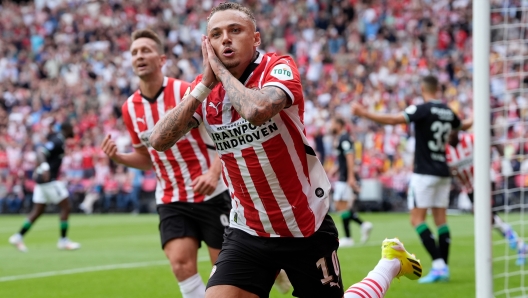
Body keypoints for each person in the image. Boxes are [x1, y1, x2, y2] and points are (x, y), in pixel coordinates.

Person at [149, 3, 421, 297]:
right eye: (216, 34)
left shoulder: (278, 67)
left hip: (302, 225)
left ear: (256, 38)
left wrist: (219, 73)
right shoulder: (205, 90)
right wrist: (204, 84)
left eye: (235, 30)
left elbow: (257, 109)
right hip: (248, 229)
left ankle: (389, 265)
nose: (225, 39)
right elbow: (158, 140)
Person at [100, 29, 232, 298]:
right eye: (134, 52)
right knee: (181, 266)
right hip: (171, 197)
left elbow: (225, 136)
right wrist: (119, 158)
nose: (139, 56)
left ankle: (277, 274)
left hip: (211, 192)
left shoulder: (186, 91)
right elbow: (147, 159)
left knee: (227, 270)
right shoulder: (129, 108)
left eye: (146, 50)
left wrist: (213, 172)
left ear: (161, 59)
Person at [351, 75, 472, 284]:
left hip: (424, 172)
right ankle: (443, 267)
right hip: (443, 171)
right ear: (438, 90)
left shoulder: (422, 109)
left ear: (422, 89)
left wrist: (364, 113)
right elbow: (463, 126)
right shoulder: (448, 111)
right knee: (441, 220)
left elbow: (393, 120)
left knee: (417, 219)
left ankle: (438, 265)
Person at [446, 131, 526, 265]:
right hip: (469, 188)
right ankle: (519, 245)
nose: (449, 134)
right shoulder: (446, 151)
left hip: (484, 180)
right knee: (490, 219)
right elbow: (449, 171)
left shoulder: (469, 139)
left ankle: (510, 246)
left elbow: (493, 139)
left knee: (486, 217)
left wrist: (504, 161)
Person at [9, 122, 80, 252]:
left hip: (42, 181)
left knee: (38, 211)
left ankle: (18, 237)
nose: (73, 130)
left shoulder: (61, 140)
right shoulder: (57, 140)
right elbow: (41, 152)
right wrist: (45, 167)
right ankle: (63, 240)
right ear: (67, 129)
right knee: (66, 207)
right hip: (49, 180)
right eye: (72, 128)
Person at [330, 117, 372, 247]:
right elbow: (343, 158)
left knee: (341, 206)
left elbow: (350, 157)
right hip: (343, 176)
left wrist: (351, 176)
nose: (331, 126)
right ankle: (363, 225)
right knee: (341, 207)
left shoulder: (344, 138)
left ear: (339, 124)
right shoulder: (342, 138)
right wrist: (336, 169)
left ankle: (349, 237)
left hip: (345, 178)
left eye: (333, 123)